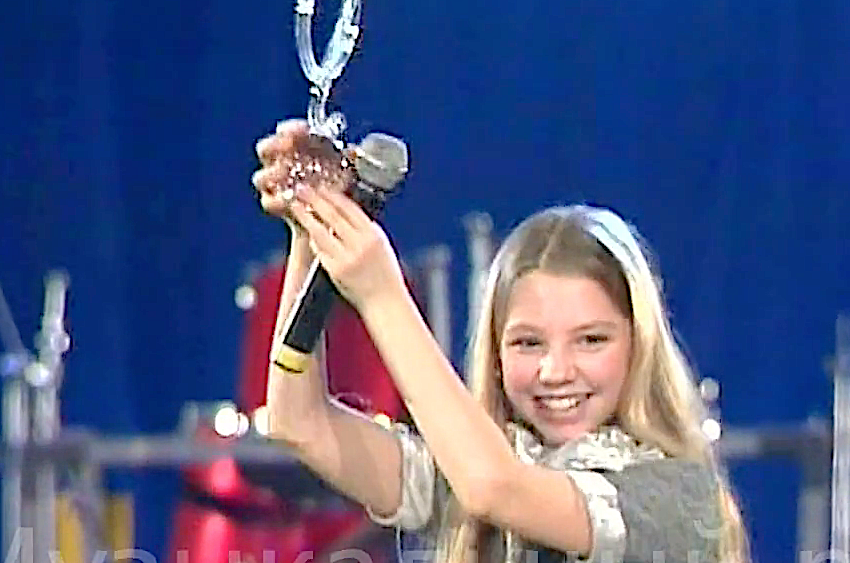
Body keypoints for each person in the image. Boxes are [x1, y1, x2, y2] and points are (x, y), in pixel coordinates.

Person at [251, 119, 750, 563]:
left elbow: (496, 489)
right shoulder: (481, 465)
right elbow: (301, 422)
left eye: (591, 340)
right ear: (494, 353)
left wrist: (382, 294)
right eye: (528, 344)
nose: (556, 371)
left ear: (639, 347)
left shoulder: (678, 498)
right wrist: (313, 225)